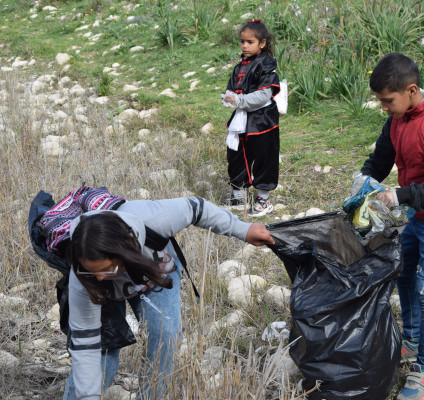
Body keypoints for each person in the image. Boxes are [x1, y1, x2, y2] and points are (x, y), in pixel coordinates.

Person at [61, 196, 274, 399]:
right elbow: (85, 344)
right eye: (93, 271)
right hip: (105, 294)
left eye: (107, 269)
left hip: (153, 272)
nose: (99, 276)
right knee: (103, 356)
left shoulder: (154, 219)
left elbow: (197, 208)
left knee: (166, 336)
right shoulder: (85, 277)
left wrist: (243, 229)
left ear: (125, 251)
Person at [351, 53, 424, 400]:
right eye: (381, 101)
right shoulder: (396, 120)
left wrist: (398, 195)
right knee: (404, 273)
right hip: (417, 211)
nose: (384, 107)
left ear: (412, 90)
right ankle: (413, 339)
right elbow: (380, 161)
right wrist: (361, 184)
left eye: (388, 100)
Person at [220, 19, 280, 217]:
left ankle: (263, 198)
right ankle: (239, 194)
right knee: (236, 154)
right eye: (242, 41)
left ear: (261, 43)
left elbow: (263, 95)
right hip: (241, 118)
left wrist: (238, 100)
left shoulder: (266, 65)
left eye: (250, 42)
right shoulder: (239, 67)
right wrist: (229, 98)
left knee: (264, 156)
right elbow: (231, 90)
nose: (245, 46)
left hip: (262, 119)